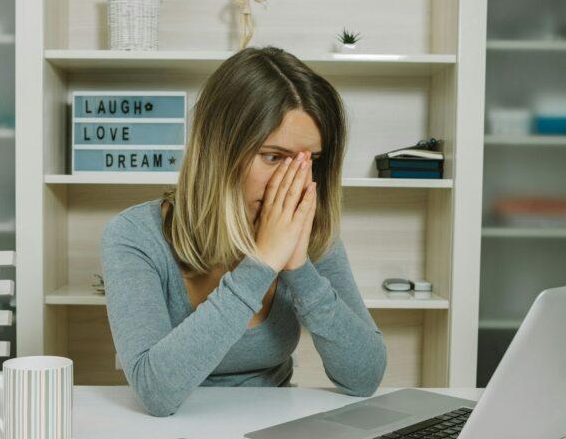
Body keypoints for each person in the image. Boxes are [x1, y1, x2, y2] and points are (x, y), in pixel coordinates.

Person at [100, 46, 387, 417]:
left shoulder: (308, 231)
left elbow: (365, 377)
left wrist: (299, 268)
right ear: (219, 151)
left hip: (272, 431)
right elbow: (156, 392)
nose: (294, 182)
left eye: (310, 162)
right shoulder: (134, 236)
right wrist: (262, 262)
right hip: (166, 438)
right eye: (273, 157)